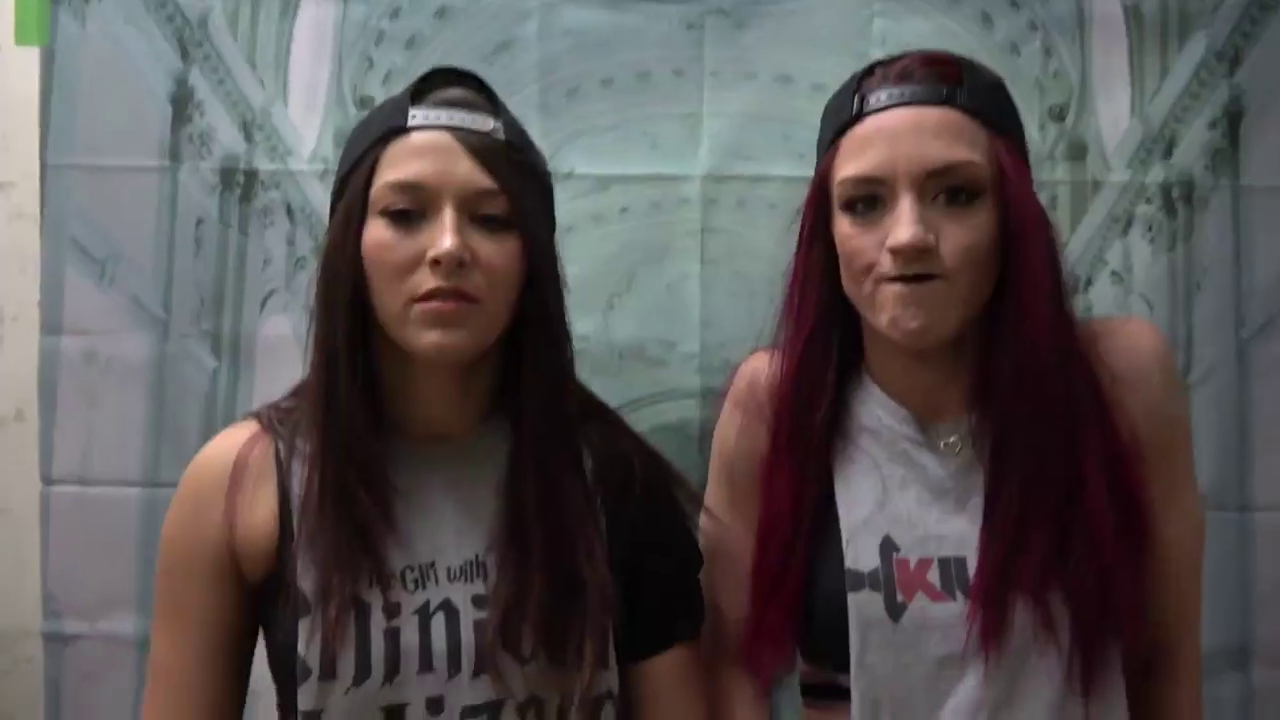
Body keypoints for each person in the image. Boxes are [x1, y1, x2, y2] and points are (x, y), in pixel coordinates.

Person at [141, 66, 709, 719]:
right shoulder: (241, 484)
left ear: (531, 261)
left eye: (492, 219)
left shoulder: (615, 480)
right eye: (405, 214)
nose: (449, 248)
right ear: (352, 243)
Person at [700, 50, 1204, 719]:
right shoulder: (777, 402)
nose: (908, 236)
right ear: (828, 234)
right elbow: (730, 663)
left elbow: (1166, 661)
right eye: (864, 204)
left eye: (957, 195)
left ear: (1011, 219)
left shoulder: (1118, 380)